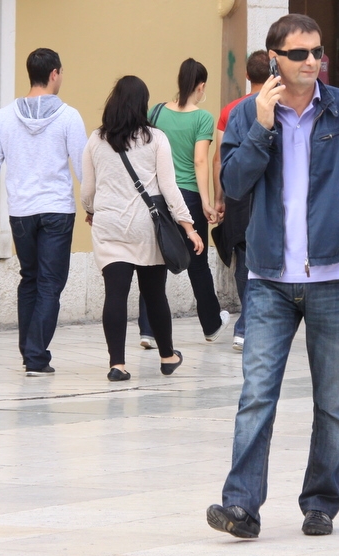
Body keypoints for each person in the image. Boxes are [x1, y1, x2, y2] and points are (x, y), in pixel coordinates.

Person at [206, 14, 339, 538]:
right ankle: (241, 507)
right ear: (274, 58)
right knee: (256, 396)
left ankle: (320, 503)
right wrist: (261, 127)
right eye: (300, 54)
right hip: (269, 278)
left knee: (332, 403)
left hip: (334, 277)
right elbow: (233, 184)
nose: (312, 61)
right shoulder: (249, 113)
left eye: (318, 52)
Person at [81, 76, 203, 381]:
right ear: (142, 105)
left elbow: (87, 190)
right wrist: (189, 227)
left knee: (115, 295)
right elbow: (170, 189)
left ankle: (117, 365)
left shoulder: (96, 139)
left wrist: (91, 211)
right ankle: (167, 356)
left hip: (109, 227)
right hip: (146, 228)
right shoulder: (155, 138)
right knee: (155, 294)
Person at [0, 48, 87, 376]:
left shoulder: (4, 117)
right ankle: (36, 357)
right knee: (50, 283)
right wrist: (92, 206)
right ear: (54, 74)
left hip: (21, 211)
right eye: (61, 72)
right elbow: (83, 167)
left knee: (30, 279)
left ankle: (29, 351)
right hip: (57, 210)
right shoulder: (69, 116)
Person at [137, 58, 229, 348]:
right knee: (197, 264)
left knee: (154, 262)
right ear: (201, 86)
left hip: (157, 196)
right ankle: (211, 325)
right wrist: (207, 203)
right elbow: (200, 161)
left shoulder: (156, 112)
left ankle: (148, 330)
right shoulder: (203, 118)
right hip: (188, 196)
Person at [211, 50, 270, 351]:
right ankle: (247, 325)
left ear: (247, 75)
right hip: (267, 194)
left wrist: (219, 198)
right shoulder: (280, 105)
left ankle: (245, 326)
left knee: (243, 258)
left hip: (238, 195)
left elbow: (220, 159)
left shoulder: (231, 110)